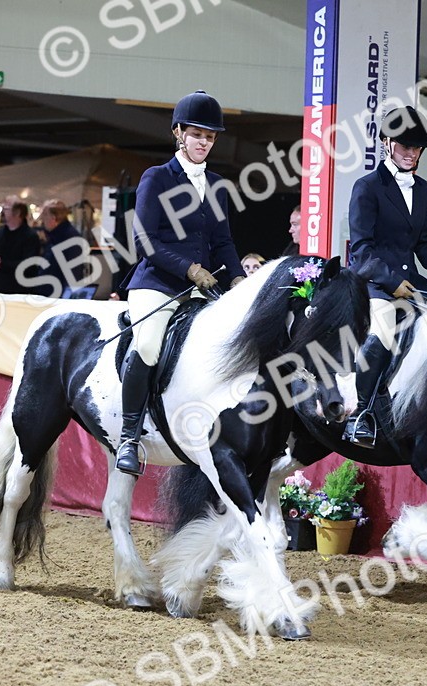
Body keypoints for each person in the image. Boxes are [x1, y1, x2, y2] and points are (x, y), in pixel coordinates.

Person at [115, 90, 243, 476]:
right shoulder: (156, 178)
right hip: (157, 284)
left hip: (203, 288)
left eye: (210, 136)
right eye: (197, 134)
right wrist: (189, 270)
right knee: (150, 345)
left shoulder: (217, 184)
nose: (204, 142)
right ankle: (129, 436)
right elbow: (146, 242)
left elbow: (222, 241)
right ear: (179, 133)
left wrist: (238, 279)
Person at [346, 105, 427, 447]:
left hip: (412, 281)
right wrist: (392, 282)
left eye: (416, 147)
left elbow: (424, 243)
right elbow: (361, 250)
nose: (411, 153)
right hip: (374, 283)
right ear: (387, 143)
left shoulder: (423, 189)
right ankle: (360, 413)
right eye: (405, 146)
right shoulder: (367, 187)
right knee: (382, 330)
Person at [0, 199, 42, 295]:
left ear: (18, 213)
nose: (2, 212)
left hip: (21, 291)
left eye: (6, 209)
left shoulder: (30, 236)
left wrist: (1, 264)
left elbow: (29, 265)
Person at [40, 199, 81, 297]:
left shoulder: (70, 238)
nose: (42, 221)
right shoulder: (55, 235)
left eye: (44, 217)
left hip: (58, 297)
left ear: (53, 218)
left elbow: (73, 274)